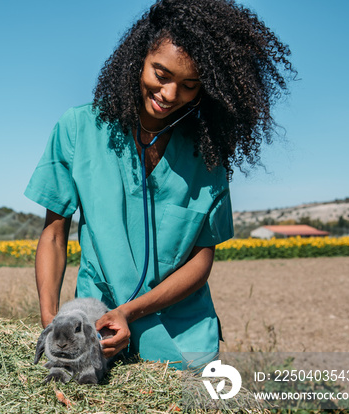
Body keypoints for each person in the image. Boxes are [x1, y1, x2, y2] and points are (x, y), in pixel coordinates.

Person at [24, 0, 294, 368]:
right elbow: (54, 236)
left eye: (189, 85)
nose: (170, 94)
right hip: (96, 334)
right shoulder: (78, 128)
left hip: (183, 345)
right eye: (161, 74)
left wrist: (130, 313)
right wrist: (52, 327)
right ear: (139, 58)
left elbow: (201, 261)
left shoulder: (207, 156)